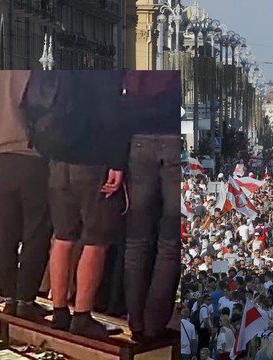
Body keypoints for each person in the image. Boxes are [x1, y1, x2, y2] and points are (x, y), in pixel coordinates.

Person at [41, 71, 127, 339]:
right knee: (95, 239)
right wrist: (117, 162)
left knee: (63, 236)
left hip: (59, 158)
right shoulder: (105, 75)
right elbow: (111, 114)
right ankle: (82, 316)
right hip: (92, 160)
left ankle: (58, 311)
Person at [0, 71, 52, 319]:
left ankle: (8, 295)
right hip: (33, 153)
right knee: (36, 231)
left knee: (6, 231)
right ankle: (26, 298)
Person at [122, 70, 183, 341]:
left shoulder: (136, 71)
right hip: (175, 144)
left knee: (137, 240)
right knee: (170, 242)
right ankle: (155, 322)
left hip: (138, 143)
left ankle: (135, 321)